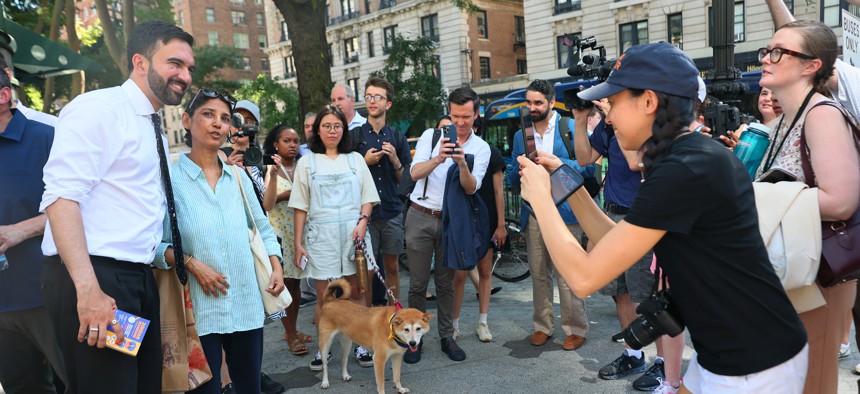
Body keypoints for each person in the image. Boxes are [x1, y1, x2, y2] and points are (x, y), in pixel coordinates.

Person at [518, 42, 809, 393]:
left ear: (649, 102)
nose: (608, 117)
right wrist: (567, 183)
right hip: (734, 347)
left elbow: (583, 278)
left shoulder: (685, 168)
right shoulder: (687, 157)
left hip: (752, 364)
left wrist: (541, 201)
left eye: (615, 102)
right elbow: (616, 239)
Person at [40, 20, 194, 393]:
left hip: (134, 280)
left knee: (141, 386)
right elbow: (62, 198)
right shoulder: (100, 108)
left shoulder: (150, 123)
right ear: (139, 62)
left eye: (189, 68)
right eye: (174, 63)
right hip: (97, 279)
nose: (185, 76)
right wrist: (89, 291)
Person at [152, 88, 285, 394]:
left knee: (251, 387)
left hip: (246, 304)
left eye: (224, 118)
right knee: (206, 391)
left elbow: (262, 229)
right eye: (208, 115)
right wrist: (191, 263)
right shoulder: (169, 181)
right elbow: (153, 246)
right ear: (187, 120)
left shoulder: (236, 177)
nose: (217, 124)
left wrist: (276, 266)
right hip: (200, 312)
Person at [756, 20, 860, 394]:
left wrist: (757, 198)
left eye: (779, 51)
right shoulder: (788, 118)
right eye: (767, 50)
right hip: (798, 270)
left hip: (822, 274)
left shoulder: (822, 115)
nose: (767, 58)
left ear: (811, 65)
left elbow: (841, 199)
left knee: (812, 382)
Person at [572, 81, 656, 385]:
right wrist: (581, 121)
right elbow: (584, 159)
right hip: (615, 215)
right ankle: (633, 354)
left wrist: (616, 120)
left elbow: (637, 164)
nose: (601, 103)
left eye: (607, 98)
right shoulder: (607, 128)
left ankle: (661, 362)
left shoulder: (644, 123)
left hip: (644, 218)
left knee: (647, 295)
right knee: (620, 292)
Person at [288, 105, 380, 371]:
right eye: (326, 126)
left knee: (358, 293)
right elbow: (300, 207)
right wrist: (298, 243)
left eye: (337, 126)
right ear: (318, 130)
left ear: (344, 129)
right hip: (321, 237)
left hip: (355, 236)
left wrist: (363, 222)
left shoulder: (355, 160)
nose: (332, 131)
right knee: (325, 299)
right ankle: (323, 349)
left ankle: (362, 343)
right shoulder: (307, 163)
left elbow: (368, 198)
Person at [404, 87, 491, 363]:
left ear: (476, 114)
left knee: (446, 283)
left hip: (452, 221)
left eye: (466, 116)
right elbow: (414, 173)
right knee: (418, 283)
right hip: (419, 214)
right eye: (455, 116)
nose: (460, 123)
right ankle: (412, 340)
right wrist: (439, 157)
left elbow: (471, 189)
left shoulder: (481, 147)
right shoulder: (431, 136)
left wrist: (463, 164)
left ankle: (446, 336)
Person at [509, 79, 594, 352]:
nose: (532, 107)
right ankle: (543, 326)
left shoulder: (569, 127)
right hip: (534, 211)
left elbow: (589, 168)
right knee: (538, 273)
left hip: (566, 211)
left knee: (568, 273)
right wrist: (521, 166)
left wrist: (554, 164)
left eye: (538, 103)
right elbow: (512, 175)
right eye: (529, 102)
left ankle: (576, 328)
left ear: (551, 102)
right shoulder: (520, 134)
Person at [0, 68, 66, 394]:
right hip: (1, 306)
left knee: (81, 381)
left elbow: (87, 208)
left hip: (47, 293)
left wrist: (20, 231)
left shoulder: (48, 135)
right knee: (20, 387)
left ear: (3, 96)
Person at [350, 76, 411, 311]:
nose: (372, 101)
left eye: (378, 97)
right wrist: (363, 162)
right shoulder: (354, 137)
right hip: (364, 215)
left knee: (393, 267)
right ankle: (366, 320)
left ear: (388, 104)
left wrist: (395, 159)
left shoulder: (397, 137)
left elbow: (406, 180)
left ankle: (393, 313)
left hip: (392, 212)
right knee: (366, 271)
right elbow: (347, 177)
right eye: (368, 96)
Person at [262, 125, 312, 357]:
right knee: (286, 286)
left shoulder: (304, 166)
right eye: (286, 141)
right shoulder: (271, 168)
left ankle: (292, 329)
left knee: (297, 284)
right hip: (280, 235)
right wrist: (284, 192)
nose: (292, 145)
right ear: (276, 144)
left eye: (295, 141)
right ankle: (290, 334)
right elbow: (267, 204)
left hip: (301, 235)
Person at [452, 136, 506, 342]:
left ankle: (483, 322)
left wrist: (501, 224)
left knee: (485, 271)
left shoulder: (490, 152)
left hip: (487, 217)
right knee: (459, 274)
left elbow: (498, 190)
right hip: (462, 218)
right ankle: (454, 324)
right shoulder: (452, 151)